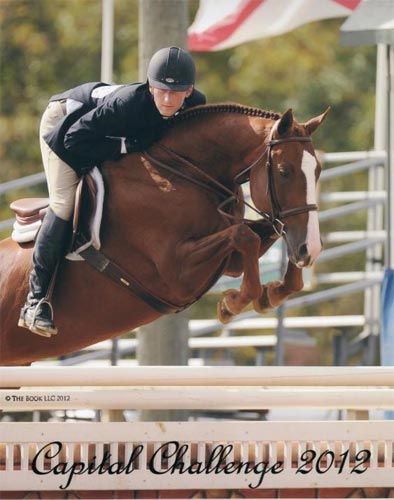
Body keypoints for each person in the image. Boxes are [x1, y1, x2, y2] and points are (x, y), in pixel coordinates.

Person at [19, 46, 206, 338]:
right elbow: (73, 140)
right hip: (64, 124)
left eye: (176, 92)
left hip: (100, 132)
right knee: (64, 202)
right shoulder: (127, 103)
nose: (168, 100)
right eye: (161, 91)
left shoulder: (196, 105)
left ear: (189, 91)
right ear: (149, 86)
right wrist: (125, 145)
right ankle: (35, 302)